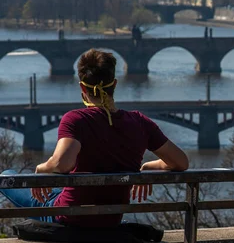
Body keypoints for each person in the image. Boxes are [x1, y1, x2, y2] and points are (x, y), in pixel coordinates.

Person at [0, 49, 189, 227]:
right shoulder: (140, 122)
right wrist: (148, 168)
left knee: (7, 176)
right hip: (110, 220)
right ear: (114, 84)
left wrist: (40, 169)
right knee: (57, 191)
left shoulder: (75, 119)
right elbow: (181, 162)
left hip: (69, 217)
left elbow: (61, 164)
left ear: (82, 86)